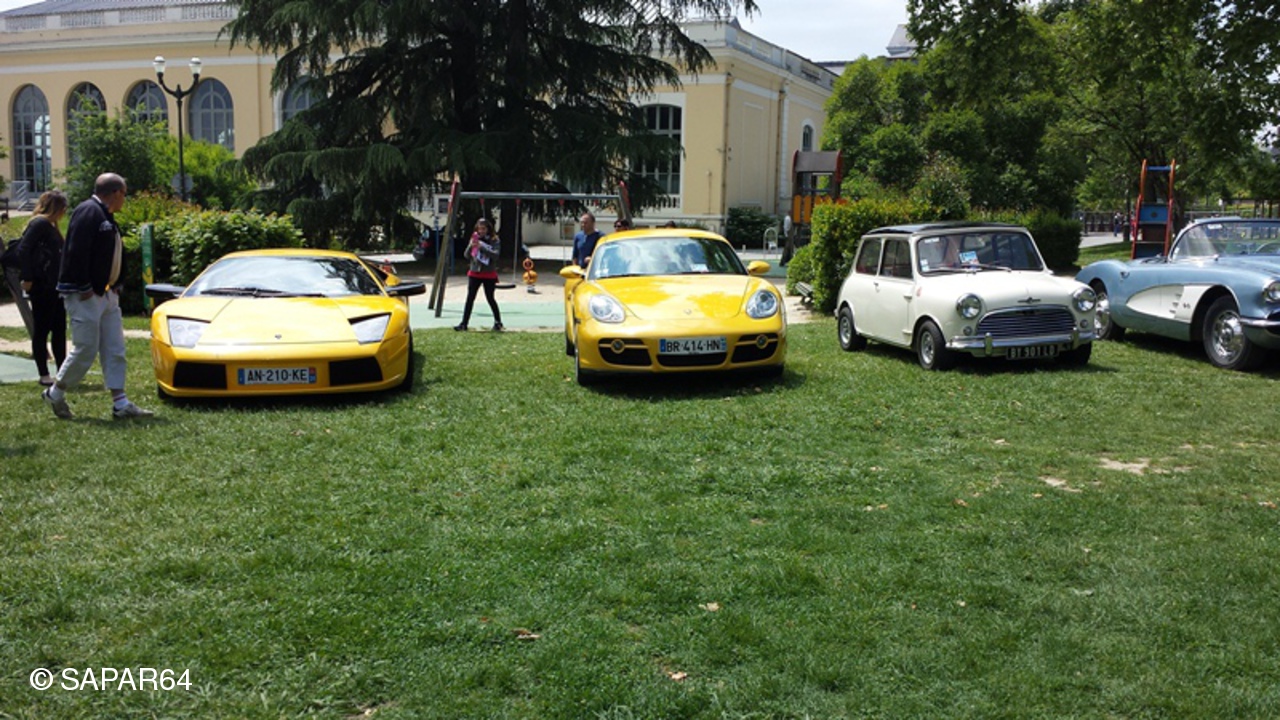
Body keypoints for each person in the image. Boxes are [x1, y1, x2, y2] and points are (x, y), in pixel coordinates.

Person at [42, 173, 153, 420]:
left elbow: (110, 254)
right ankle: (55, 392)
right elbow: (75, 251)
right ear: (115, 193)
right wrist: (84, 286)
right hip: (85, 295)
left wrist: (116, 284)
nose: (124, 199)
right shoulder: (88, 211)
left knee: (115, 348)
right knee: (86, 348)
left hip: (106, 293)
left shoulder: (105, 215)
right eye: (124, 194)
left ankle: (120, 403)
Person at [17, 190, 69, 386]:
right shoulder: (39, 224)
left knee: (59, 329)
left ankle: (62, 371)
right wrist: (28, 277)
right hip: (42, 285)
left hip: (55, 286)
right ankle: (44, 374)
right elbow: (24, 249)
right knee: (42, 329)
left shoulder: (50, 226)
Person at [453, 218, 504, 332]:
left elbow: (495, 255)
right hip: (475, 272)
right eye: (479, 229)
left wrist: (482, 247)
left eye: (484, 229)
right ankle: (464, 323)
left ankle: (498, 322)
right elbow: (466, 255)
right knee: (470, 298)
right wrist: (471, 245)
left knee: (490, 298)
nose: (481, 231)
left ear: (488, 229)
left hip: (488, 273)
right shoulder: (474, 238)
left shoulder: (494, 240)